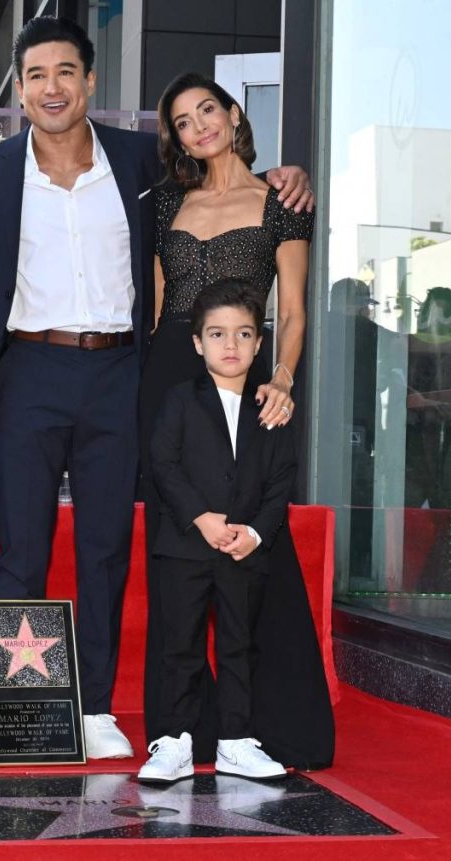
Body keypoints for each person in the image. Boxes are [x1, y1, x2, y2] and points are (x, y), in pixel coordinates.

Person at [0, 16, 312, 760]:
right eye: (35, 75)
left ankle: (90, 707)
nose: (51, 87)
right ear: (20, 91)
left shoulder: (137, 161)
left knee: (106, 546)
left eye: (66, 72)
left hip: (119, 373)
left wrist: (288, 173)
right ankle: (27, 709)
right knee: (20, 545)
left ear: (90, 82)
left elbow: (220, 168)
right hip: (26, 369)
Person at [140, 72, 333, 768]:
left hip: (246, 381)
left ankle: (262, 723)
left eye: (207, 112)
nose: (199, 128)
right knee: (181, 555)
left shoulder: (282, 200)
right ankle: (178, 726)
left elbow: (295, 308)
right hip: (170, 380)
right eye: (184, 122)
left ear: (231, 113)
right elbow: (161, 310)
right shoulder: (167, 202)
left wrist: (281, 377)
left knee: (254, 547)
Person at [140, 280, 294, 783]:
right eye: (218, 334)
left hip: (242, 552)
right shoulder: (180, 400)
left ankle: (235, 740)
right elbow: (163, 463)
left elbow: (280, 481)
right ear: (197, 342)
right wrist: (199, 517)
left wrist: (254, 532)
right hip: (185, 545)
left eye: (243, 334)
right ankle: (174, 742)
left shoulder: (270, 410)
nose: (231, 346)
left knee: (237, 645)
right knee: (179, 645)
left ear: (259, 342)